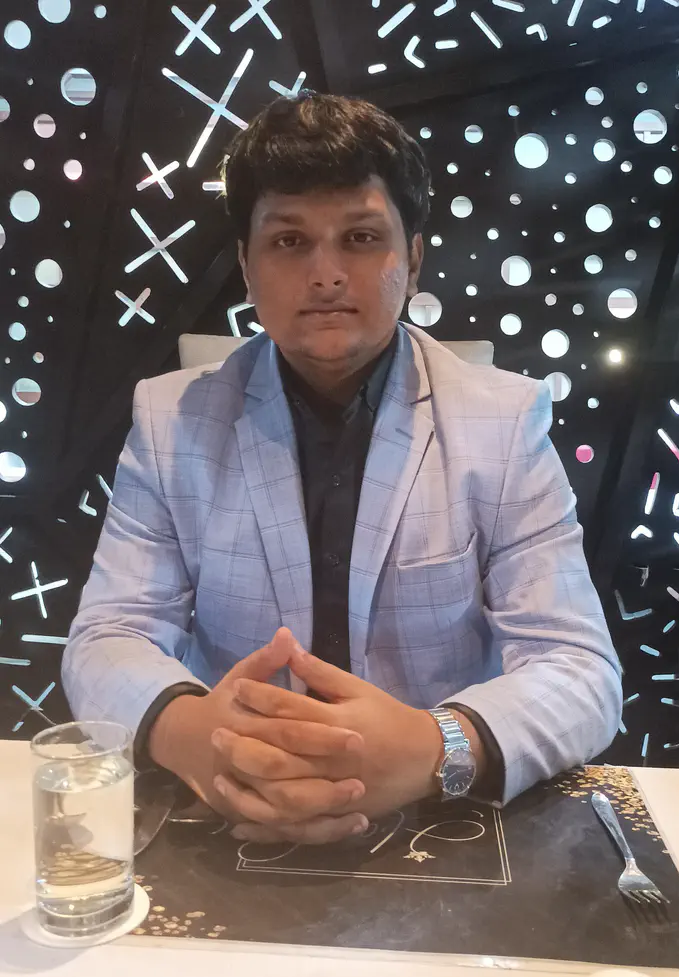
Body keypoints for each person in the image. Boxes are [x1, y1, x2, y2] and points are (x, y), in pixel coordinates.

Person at [62, 92, 622, 846]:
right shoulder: (172, 422)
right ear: (247, 266)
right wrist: (195, 738)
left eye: (360, 237)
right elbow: (107, 636)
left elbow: (580, 668)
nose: (326, 274)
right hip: (229, 810)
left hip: (436, 819)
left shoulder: (504, 422)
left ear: (412, 258)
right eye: (289, 241)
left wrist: (437, 747)